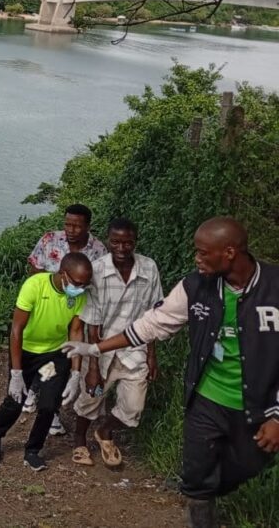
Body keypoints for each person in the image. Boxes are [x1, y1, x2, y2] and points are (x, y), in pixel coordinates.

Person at [63, 217, 279, 528]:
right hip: (206, 399)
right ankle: (200, 510)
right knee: (195, 479)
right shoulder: (196, 287)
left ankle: (207, 491)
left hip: (258, 406)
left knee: (248, 463)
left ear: (229, 252)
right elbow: (152, 323)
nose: (197, 258)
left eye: (204, 253)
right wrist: (95, 350)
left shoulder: (274, 287)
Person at [0, 252, 92, 471]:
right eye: (77, 283)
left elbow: (75, 331)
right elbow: (16, 330)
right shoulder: (34, 286)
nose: (81, 288)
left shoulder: (79, 296)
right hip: (26, 352)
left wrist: (75, 373)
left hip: (54, 355)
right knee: (16, 399)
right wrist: (16, 373)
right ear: (63, 274)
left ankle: (33, 449)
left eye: (85, 284)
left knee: (48, 404)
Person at [71, 217, 163, 467]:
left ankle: (105, 432)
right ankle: (79, 439)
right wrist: (92, 368)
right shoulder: (97, 270)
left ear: (136, 242)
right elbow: (92, 322)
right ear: (108, 241)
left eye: (128, 243)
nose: (121, 248)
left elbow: (153, 316)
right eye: (116, 242)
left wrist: (152, 355)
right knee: (92, 396)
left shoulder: (149, 268)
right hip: (101, 352)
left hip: (135, 351)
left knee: (133, 408)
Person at [25, 204, 108, 435]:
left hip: (77, 311)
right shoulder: (50, 240)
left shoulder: (98, 251)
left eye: (77, 226)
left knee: (62, 359)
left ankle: (51, 411)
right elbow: (34, 270)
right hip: (47, 309)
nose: (70, 230)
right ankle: (34, 386)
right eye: (67, 224)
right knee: (42, 354)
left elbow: (97, 286)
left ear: (88, 227)